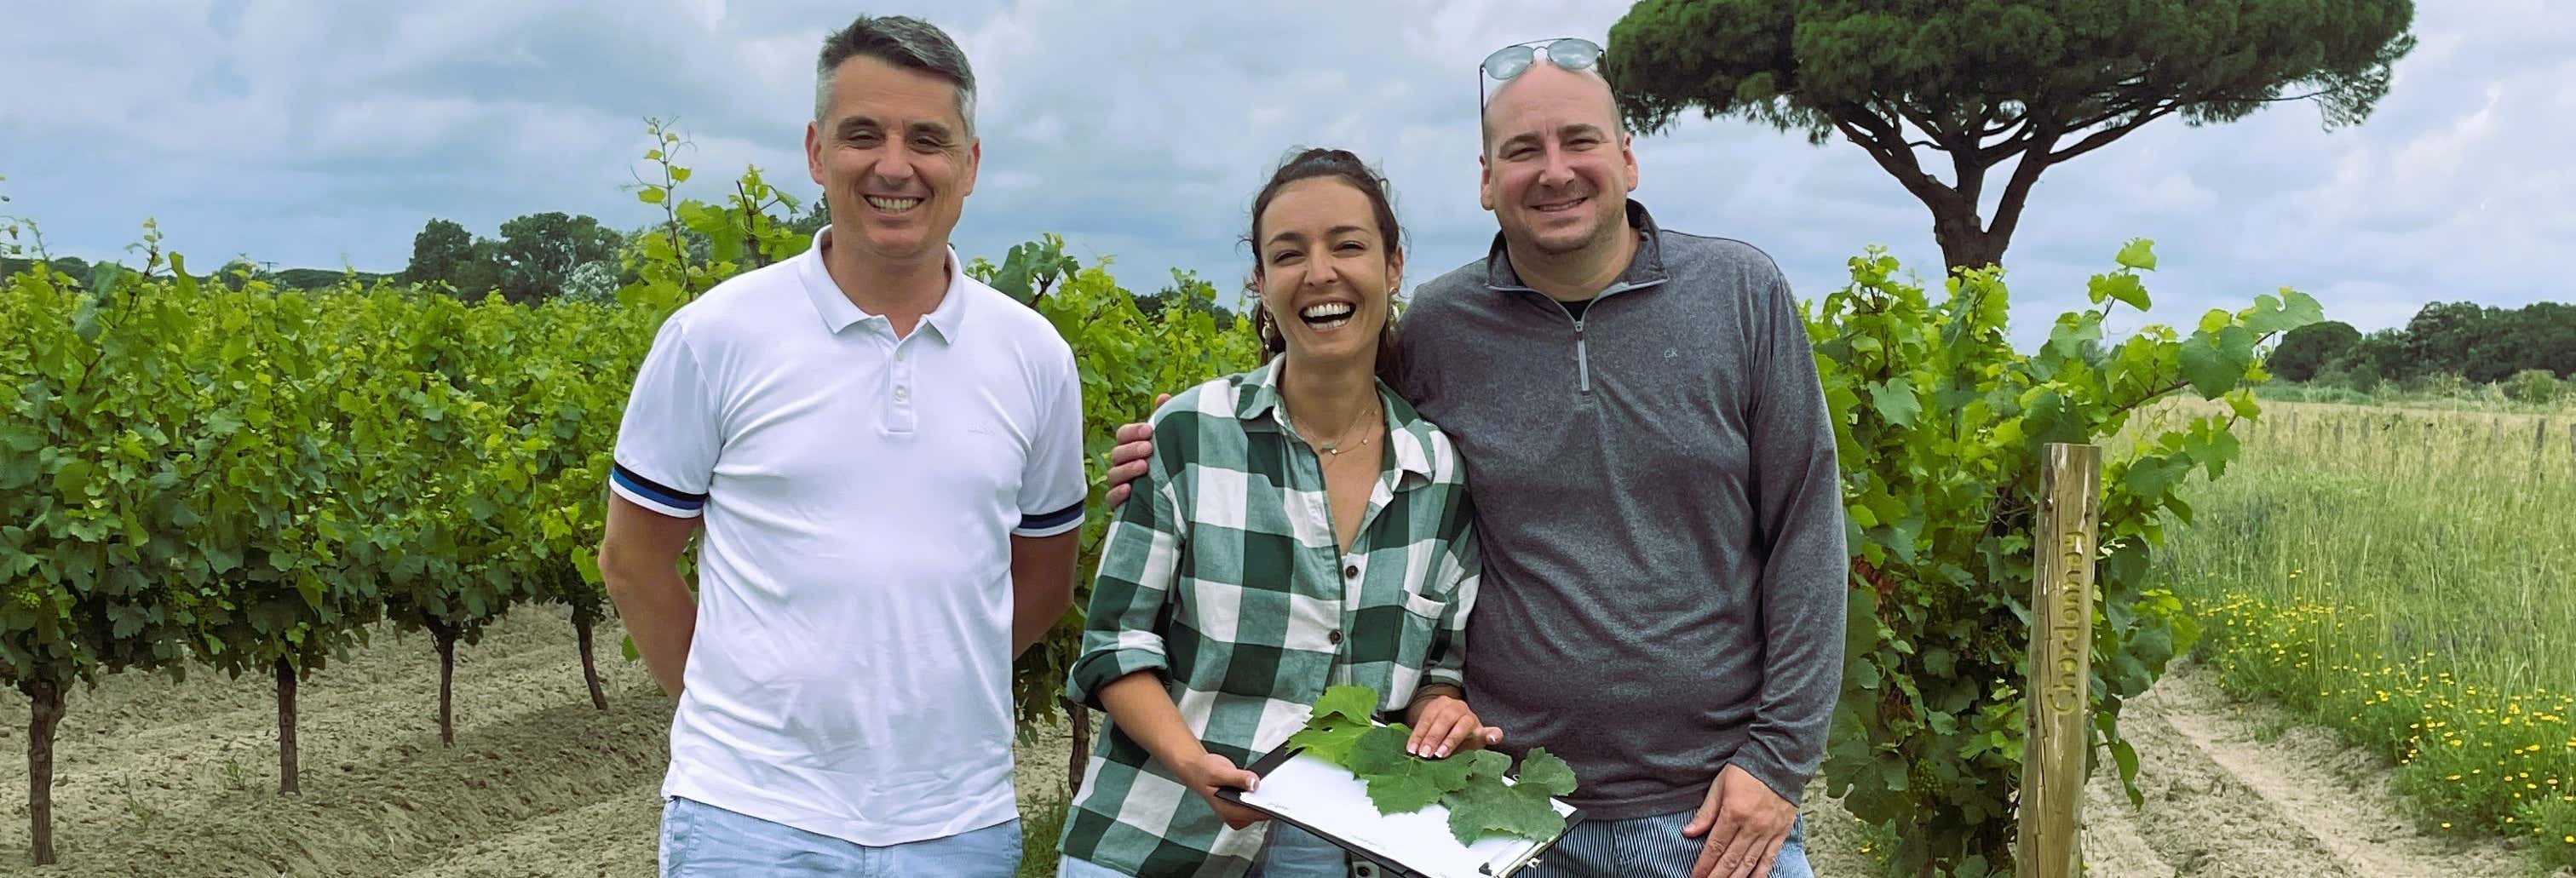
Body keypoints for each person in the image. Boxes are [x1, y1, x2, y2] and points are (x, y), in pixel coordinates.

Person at [1104, 37, 1846, 878]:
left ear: (1629, 159)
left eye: (1580, 141)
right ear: (1487, 180)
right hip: (1498, 813)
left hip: (1710, 816)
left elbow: (1808, 537)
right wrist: (1184, 426)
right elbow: (1323, 391)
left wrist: (1778, 763)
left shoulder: (1740, 294)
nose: (1555, 170)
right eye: (1522, 150)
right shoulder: (1441, 327)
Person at [596, 14, 1085, 876]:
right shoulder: (712, 336)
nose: (894, 165)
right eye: (864, 134)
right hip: (747, 820)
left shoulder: (1035, 356)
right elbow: (634, 560)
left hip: (956, 824)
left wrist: (925, 683)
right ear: (819, 152)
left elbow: (1043, 579)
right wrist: (743, 712)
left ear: (969, 165)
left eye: (927, 139)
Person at [1056, 148, 1496, 878]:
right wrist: (1194, 762)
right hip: (1163, 832)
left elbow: (1437, 671)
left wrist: (1442, 711)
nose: (1319, 272)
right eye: (1288, 253)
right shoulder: (1192, 435)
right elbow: (1115, 644)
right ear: (1260, 283)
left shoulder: (1437, 471)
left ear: (1393, 266)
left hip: (1345, 849)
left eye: (1348, 245)